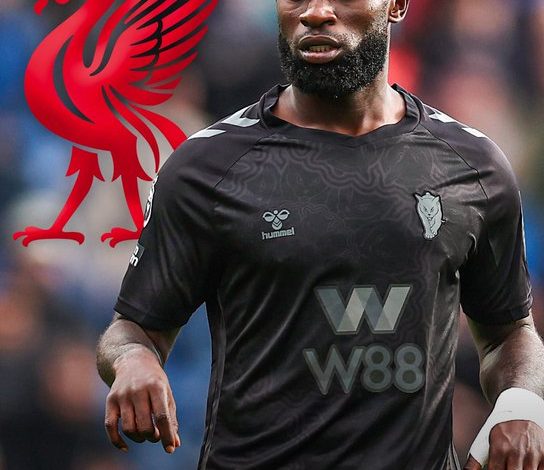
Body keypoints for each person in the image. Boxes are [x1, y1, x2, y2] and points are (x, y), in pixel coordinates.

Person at [96, 1, 544, 469]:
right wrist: (133, 361)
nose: (315, 11)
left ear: (396, 5)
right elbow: (133, 328)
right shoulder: (207, 169)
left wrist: (521, 405)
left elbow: (509, 333)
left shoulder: (471, 166)